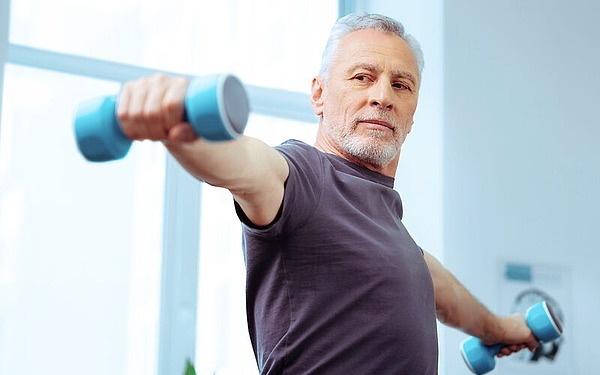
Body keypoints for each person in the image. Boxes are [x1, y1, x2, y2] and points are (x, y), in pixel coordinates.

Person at [116, 12, 538, 375]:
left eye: (401, 85)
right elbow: (245, 164)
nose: (382, 97)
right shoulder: (302, 177)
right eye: (362, 78)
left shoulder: (391, 230)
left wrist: (500, 328)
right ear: (319, 94)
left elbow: (433, 282)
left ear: (413, 113)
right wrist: (178, 129)